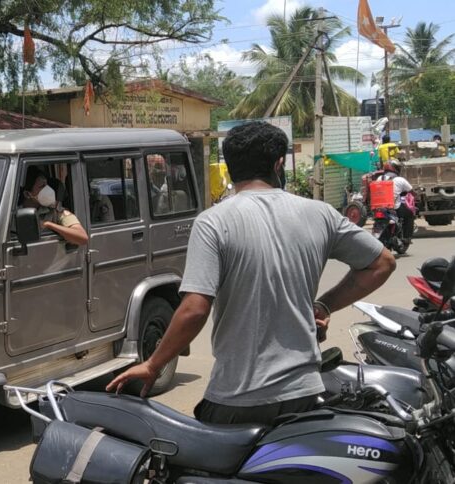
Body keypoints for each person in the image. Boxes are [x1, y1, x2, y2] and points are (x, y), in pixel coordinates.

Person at [107, 121, 396, 426]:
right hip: (305, 395)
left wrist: (153, 365)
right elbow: (382, 263)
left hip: (238, 399)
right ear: (278, 164)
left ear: (230, 169)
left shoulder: (213, 222)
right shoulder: (319, 213)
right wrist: (323, 305)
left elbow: (194, 310)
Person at [20, 166, 88, 246]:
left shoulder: (55, 211)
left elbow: (82, 237)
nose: (47, 189)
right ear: (28, 194)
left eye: (46, 185)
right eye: (42, 186)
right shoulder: (10, 214)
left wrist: (49, 224)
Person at [377, 161, 415, 240]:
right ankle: (406, 237)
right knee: (409, 214)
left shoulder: (379, 178)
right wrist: (416, 195)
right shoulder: (400, 180)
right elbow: (412, 191)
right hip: (394, 208)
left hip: (379, 208)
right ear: (395, 168)